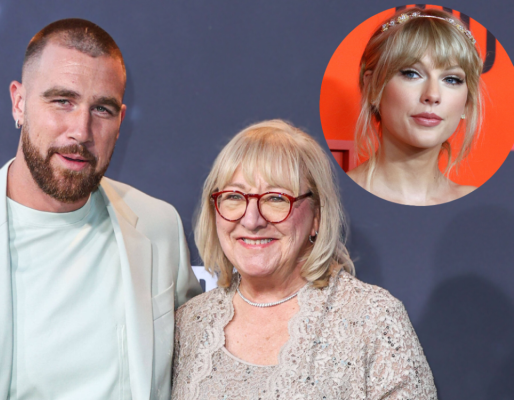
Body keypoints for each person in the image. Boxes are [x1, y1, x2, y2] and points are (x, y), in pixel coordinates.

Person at [0, 19, 201, 400]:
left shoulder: (159, 228)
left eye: (102, 109)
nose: (81, 130)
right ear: (19, 102)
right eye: (62, 100)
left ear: (120, 121)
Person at [172, 120, 436, 399]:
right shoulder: (189, 322)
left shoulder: (373, 319)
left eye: (276, 198)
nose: (251, 220)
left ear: (317, 217)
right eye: (235, 196)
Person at [347, 8, 484, 206]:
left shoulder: (481, 206)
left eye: (452, 79)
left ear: (466, 102)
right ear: (373, 88)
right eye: (412, 74)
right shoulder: (330, 200)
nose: (433, 95)